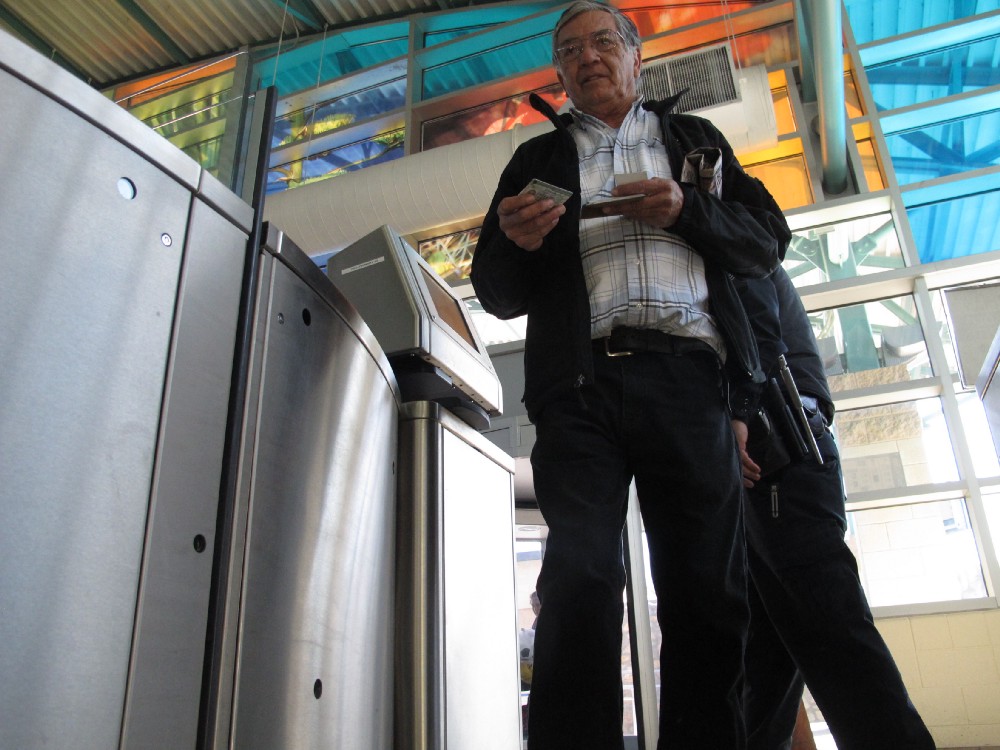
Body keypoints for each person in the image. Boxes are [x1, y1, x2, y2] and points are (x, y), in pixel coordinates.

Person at [470, 3, 790, 747]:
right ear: (559, 73)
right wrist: (514, 244)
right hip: (579, 390)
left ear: (636, 56)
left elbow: (767, 243)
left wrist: (687, 210)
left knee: (705, 589)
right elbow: (495, 292)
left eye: (602, 42)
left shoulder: (693, 142)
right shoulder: (536, 161)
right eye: (569, 50)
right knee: (579, 580)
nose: (587, 57)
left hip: (690, 382)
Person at [732, 265, 936, 750]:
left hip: (780, 453)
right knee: (766, 656)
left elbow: (757, 346)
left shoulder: (740, 252)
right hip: (775, 458)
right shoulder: (746, 257)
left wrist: (737, 414)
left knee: (833, 635)